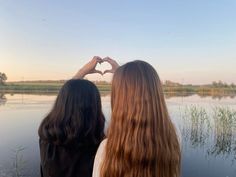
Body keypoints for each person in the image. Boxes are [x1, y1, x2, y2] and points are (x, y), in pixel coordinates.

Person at [93, 59, 181, 177]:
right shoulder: (173, 138)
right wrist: (124, 75)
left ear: (119, 99)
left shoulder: (106, 150)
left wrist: (122, 77)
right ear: (156, 94)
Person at [38, 56, 105, 177]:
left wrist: (82, 72)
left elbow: (66, 97)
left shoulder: (47, 139)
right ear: (94, 110)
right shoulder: (100, 148)